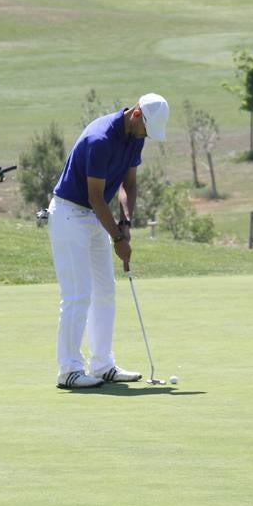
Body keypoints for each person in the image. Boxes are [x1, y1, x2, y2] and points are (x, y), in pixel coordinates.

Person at [48, 93, 169, 389]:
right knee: (78, 294)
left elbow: (129, 184)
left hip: (94, 217)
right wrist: (117, 238)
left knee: (104, 291)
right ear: (137, 115)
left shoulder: (136, 136)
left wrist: (126, 223)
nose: (146, 138)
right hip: (69, 215)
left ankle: (102, 364)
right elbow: (94, 196)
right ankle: (69, 370)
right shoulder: (100, 138)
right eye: (146, 131)